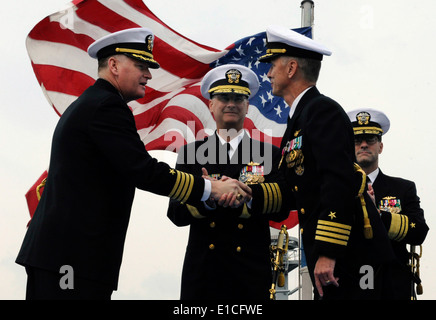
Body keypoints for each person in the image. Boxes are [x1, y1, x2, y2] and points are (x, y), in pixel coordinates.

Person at [15, 28, 250, 300]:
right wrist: (209, 189)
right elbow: (143, 171)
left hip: (67, 257)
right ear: (113, 65)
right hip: (71, 258)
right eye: (141, 66)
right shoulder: (106, 107)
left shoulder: (95, 103)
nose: (148, 75)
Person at [258, 25, 394, 299]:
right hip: (331, 255)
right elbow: (288, 188)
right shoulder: (300, 117)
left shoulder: (322, 111)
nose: (269, 73)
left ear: (292, 68)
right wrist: (245, 193)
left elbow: (338, 181)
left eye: (273, 65)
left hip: (347, 256)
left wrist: (328, 252)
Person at [167, 64, 291, 299]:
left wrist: (250, 196)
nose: (231, 103)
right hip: (204, 275)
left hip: (251, 274)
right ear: (211, 105)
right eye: (224, 97)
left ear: (247, 106)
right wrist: (207, 197)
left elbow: (283, 206)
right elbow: (175, 213)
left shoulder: (271, 154)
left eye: (238, 98)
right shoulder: (189, 154)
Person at [347, 108, 429, 299]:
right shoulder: (336, 188)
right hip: (348, 284)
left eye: (371, 140)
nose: (364, 145)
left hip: (391, 285)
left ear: (380, 146)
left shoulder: (403, 188)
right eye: (357, 141)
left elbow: (419, 231)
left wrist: (379, 216)